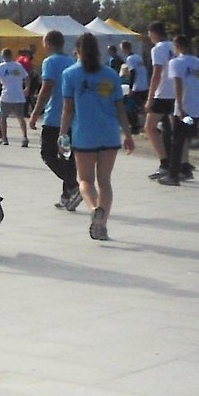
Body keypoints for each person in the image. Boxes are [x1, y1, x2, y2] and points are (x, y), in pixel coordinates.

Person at [59, 34, 134, 242]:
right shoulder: (110, 74)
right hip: (109, 133)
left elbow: (68, 109)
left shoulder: (70, 74)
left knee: (85, 180)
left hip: (84, 133)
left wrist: (63, 134)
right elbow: (120, 107)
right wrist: (128, 134)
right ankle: (102, 224)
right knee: (105, 182)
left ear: (77, 51)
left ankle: (94, 209)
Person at [27, 30, 81, 212]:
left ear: (48, 44)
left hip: (54, 117)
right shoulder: (72, 62)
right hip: (72, 118)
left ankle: (73, 186)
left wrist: (36, 112)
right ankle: (67, 195)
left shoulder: (50, 62)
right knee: (67, 157)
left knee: (48, 154)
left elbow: (47, 87)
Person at [157, 35, 199, 184]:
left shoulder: (176, 62)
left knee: (178, 141)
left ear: (177, 47)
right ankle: (188, 170)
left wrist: (180, 106)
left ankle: (173, 175)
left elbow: (178, 84)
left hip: (186, 109)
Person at [143, 21, 180, 177]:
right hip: (177, 92)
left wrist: (150, 97)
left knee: (150, 127)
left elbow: (156, 74)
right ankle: (179, 163)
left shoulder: (157, 49)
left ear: (154, 33)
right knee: (174, 129)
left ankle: (164, 162)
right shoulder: (175, 46)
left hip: (163, 93)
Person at [0, 50, 29, 147]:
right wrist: (27, 88)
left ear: (2, 56)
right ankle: (25, 137)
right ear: (11, 55)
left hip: (6, 95)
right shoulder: (18, 66)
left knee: (3, 117)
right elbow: (27, 77)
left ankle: (4, 138)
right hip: (18, 95)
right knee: (20, 117)